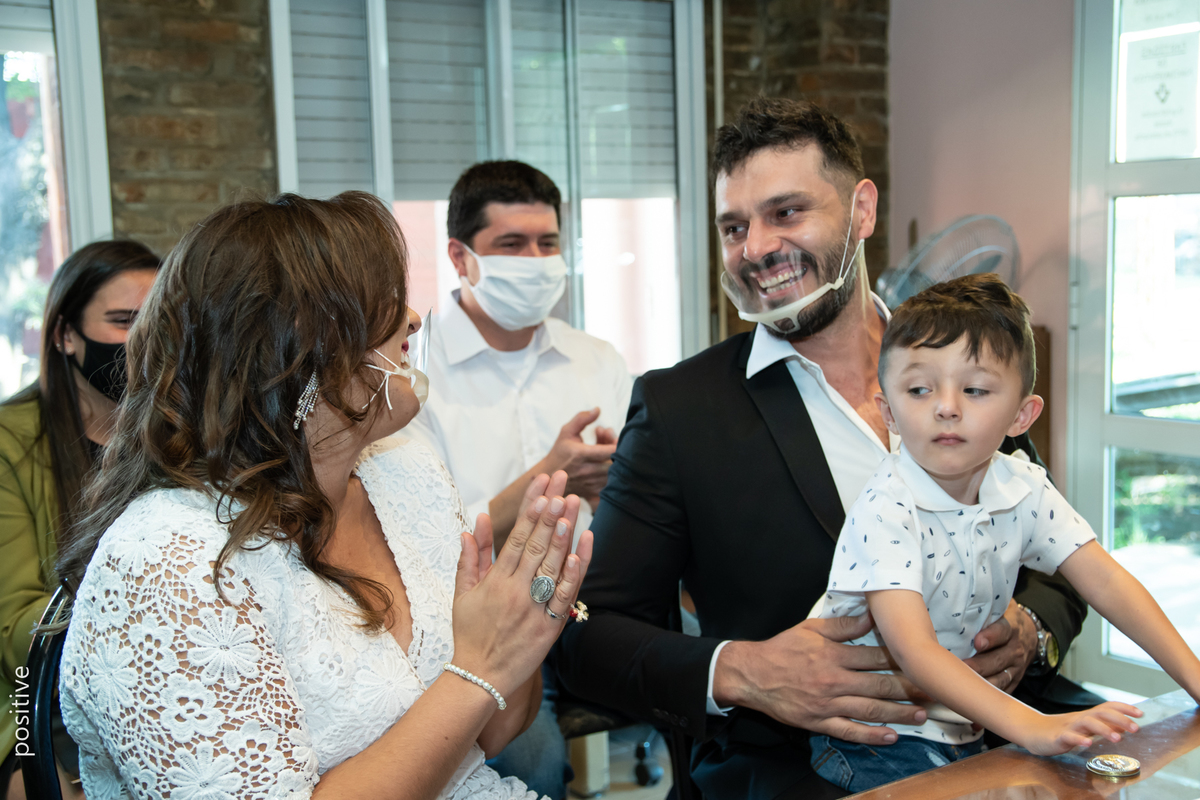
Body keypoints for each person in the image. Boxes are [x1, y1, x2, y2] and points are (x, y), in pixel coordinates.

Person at [555, 98, 1089, 799]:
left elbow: (1062, 563)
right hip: (808, 769)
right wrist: (741, 672)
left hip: (1015, 739)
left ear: (862, 211)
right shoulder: (681, 410)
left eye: (786, 212)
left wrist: (1031, 633)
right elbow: (583, 634)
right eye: (734, 227)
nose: (756, 248)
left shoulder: (968, 362)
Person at [53, 192, 594, 800]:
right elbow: (471, 687)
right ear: (295, 350)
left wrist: (515, 630)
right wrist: (479, 668)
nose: (412, 319)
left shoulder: (404, 470)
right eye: (381, 303)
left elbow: (488, 738)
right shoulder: (168, 561)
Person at [809, 273, 1200, 791]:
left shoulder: (1023, 488)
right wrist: (1032, 726)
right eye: (919, 389)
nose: (946, 406)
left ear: (1022, 414)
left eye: (974, 389)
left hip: (965, 725)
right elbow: (913, 651)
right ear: (889, 412)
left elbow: (1106, 582)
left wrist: (1193, 677)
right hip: (876, 733)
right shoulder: (886, 508)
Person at [406, 160, 633, 798]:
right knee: (524, 760)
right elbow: (419, 536)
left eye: (548, 243)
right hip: (469, 619)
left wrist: (621, 482)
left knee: (709, 676)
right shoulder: (412, 373)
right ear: (460, 255)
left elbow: (640, 504)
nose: (535, 260)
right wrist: (546, 480)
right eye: (511, 245)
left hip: (595, 602)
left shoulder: (596, 359)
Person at [0, 240, 160, 798]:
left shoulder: (179, 433)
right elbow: (19, 634)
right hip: (30, 696)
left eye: (154, 320)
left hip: (154, 684)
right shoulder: (9, 443)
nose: (141, 340)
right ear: (66, 335)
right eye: (121, 322)